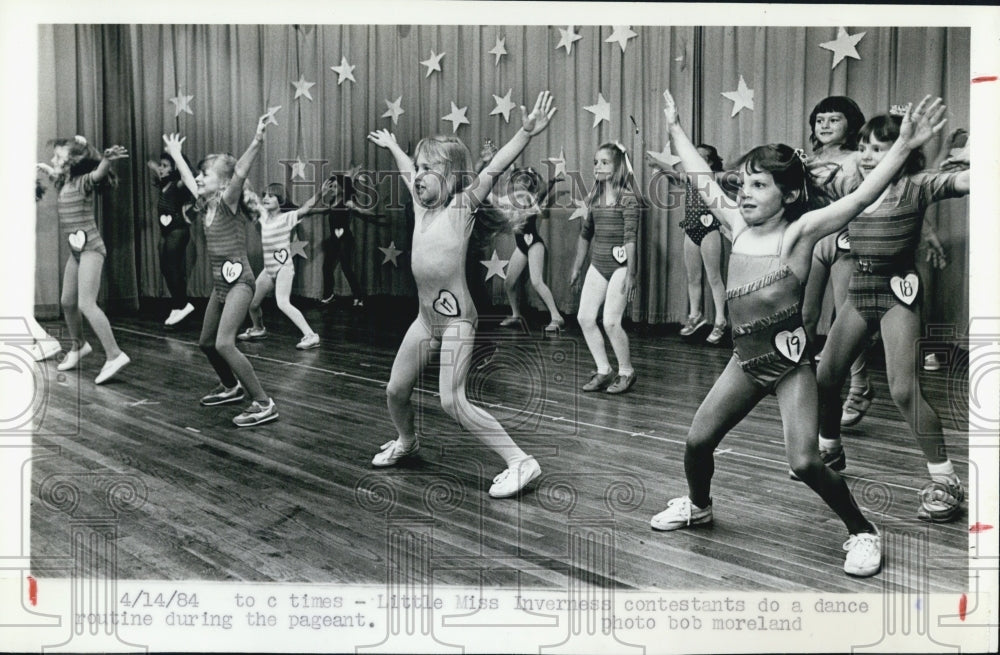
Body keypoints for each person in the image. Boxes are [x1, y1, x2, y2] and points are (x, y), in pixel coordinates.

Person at [650, 90, 948, 577]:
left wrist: (901, 148)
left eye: (759, 185)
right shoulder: (737, 227)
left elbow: (861, 195)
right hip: (744, 362)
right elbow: (701, 178)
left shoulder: (801, 231)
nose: (744, 193)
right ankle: (698, 505)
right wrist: (676, 128)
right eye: (743, 184)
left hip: (789, 367)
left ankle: (863, 531)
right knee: (697, 442)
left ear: (787, 195)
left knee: (807, 462)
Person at [364, 90, 556, 498]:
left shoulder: (461, 207)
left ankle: (521, 461)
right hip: (424, 321)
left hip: (456, 322)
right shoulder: (421, 210)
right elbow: (403, 170)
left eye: (428, 168)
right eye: (418, 168)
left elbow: (494, 168)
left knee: (452, 400)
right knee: (395, 391)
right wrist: (397, 148)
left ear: (450, 175)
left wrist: (524, 133)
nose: (417, 175)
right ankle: (408, 442)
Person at [815, 110, 969, 523]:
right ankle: (829, 448)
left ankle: (947, 481)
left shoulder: (916, 186)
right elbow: (803, 177)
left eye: (877, 149)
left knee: (904, 390)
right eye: (863, 147)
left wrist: (973, 156)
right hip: (858, 292)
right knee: (826, 377)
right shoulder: (852, 185)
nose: (866, 155)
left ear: (902, 154)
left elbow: (963, 181)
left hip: (898, 293)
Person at [162, 118, 278, 427]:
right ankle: (231, 386)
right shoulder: (205, 204)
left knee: (225, 343)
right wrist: (176, 156)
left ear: (223, 183)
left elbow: (240, 172)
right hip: (220, 284)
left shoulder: (227, 202)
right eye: (199, 173)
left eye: (205, 174)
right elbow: (189, 181)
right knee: (206, 343)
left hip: (240, 282)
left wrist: (257, 140)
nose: (199, 178)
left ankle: (263, 402)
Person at [37, 135, 130, 384]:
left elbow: (99, 173)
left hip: (91, 249)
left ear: (73, 162)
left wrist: (106, 160)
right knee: (67, 302)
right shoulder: (65, 181)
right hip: (76, 252)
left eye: (58, 157)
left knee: (86, 303)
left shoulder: (82, 183)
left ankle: (115, 354)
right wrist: (47, 169)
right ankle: (79, 346)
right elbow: (57, 177)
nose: (53, 160)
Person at [568, 142, 643, 394]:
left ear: (617, 166)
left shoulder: (628, 199)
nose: (598, 166)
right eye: (595, 162)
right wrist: (578, 267)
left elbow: (630, 237)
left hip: (621, 266)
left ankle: (626, 371)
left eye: (605, 162)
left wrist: (632, 273)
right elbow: (585, 235)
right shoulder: (593, 198)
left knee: (611, 321)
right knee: (585, 317)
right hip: (598, 264)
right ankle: (604, 370)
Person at [238, 180, 333, 349]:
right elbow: (250, 199)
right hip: (269, 270)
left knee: (282, 302)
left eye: (271, 196)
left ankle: (311, 336)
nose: (266, 198)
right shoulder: (263, 217)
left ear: (280, 200)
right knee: (253, 303)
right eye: (265, 195)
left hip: (283, 268)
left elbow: (306, 208)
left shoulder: (288, 218)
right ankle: (258, 328)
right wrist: (243, 181)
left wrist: (320, 193)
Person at [147, 151, 195, 326]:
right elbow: (152, 166)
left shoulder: (178, 184)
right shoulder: (164, 184)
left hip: (178, 230)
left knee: (173, 268)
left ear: (174, 169)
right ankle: (178, 304)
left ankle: (182, 304)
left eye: (165, 166)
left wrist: (177, 159)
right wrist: (157, 166)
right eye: (161, 165)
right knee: (166, 269)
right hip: (166, 232)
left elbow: (189, 176)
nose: (161, 168)